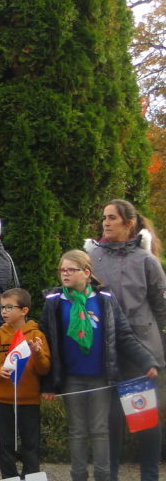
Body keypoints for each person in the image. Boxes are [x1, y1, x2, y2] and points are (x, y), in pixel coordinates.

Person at [40, 249, 158, 481]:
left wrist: (147, 361)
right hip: (72, 378)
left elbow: (124, 335)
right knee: (77, 431)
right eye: (62, 270)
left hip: (101, 378)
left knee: (100, 430)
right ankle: (79, 476)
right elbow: (46, 345)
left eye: (70, 270)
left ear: (86, 273)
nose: (64, 274)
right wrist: (47, 384)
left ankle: (103, 476)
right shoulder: (53, 301)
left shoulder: (105, 300)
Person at [84, 199, 166, 481]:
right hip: (105, 350)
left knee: (143, 417)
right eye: (104, 217)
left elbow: (160, 307)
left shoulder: (147, 261)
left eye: (112, 218)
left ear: (128, 224)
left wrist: (148, 340)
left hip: (140, 351)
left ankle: (150, 475)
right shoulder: (92, 259)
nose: (105, 223)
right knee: (110, 419)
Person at [0, 288, 49, 479]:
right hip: (4, 400)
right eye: (2, 307)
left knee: (31, 445)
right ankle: (9, 477)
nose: (3, 311)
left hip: (29, 401)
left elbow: (44, 368)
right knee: (6, 446)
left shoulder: (36, 335)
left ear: (24, 310)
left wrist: (37, 353)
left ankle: (31, 476)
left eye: (9, 307)